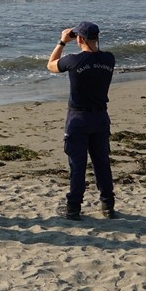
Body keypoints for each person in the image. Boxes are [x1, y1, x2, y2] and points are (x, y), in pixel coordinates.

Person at [47, 21, 117, 220]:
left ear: (79, 39)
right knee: (101, 162)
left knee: (77, 165)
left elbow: (50, 65)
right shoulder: (109, 59)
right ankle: (108, 205)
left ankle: (73, 207)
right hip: (100, 116)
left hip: (78, 117)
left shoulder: (73, 61)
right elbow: (97, 55)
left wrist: (61, 42)